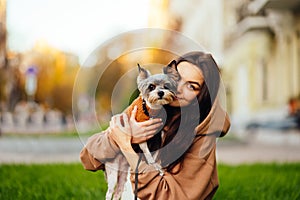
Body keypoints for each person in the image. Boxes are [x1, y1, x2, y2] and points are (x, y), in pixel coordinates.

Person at [80, 51, 231, 200]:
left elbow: (168, 197)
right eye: (176, 78)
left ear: (203, 95)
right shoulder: (146, 106)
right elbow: (88, 159)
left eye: (191, 86)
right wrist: (119, 137)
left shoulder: (203, 135)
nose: (178, 88)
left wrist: (126, 145)